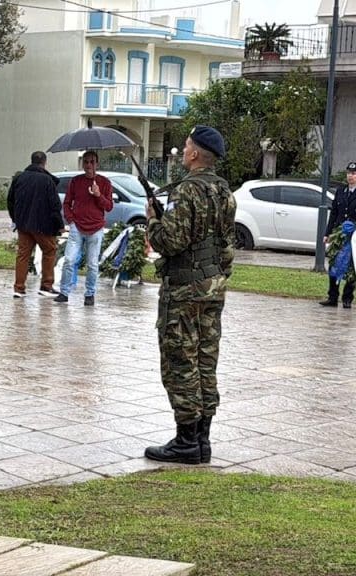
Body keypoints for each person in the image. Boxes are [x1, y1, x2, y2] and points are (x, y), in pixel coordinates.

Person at [143, 125, 236, 466]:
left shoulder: (187, 191)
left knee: (181, 362)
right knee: (205, 361)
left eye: (185, 147)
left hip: (184, 291)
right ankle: (202, 440)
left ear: (196, 154)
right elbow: (227, 247)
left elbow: (171, 241)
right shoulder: (224, 191)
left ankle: (185, 441)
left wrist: (153, 220)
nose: (182, 151)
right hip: (213, 289)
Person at [54, 150, 112, 306]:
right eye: (86, 162)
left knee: (92, 264)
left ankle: (90, 294)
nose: (89, 165)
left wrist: (98, 194)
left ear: (97, 164)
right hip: (77, 228)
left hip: (96, 228)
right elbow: (67, 203)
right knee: (69, 260)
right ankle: (64, 292)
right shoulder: (75, 181)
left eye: (92, 162)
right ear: (82, 164)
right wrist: (71, 220)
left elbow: (109, 207)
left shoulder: (105, 183)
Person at [319, 161, 356, 309]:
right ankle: (332, 297)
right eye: (349, 173)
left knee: (351, 267)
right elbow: (334, 213)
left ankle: (347, 298)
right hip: (339, 234)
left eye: (354, 174)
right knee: (334, 265)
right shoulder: (341, 191)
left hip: (354, 236)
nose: (350, 176)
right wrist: (328, 233)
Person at [7, 150, 62, 299]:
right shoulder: (47, 181)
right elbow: (55, 206)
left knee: (23, 255)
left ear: (31, 161)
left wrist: (16, 219)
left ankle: (19, 288)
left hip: (23, 224)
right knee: (50, 250)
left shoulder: (19, 178)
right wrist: (59, 225)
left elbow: (10, 201)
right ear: (44, 163)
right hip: (43, 225)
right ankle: (46, 285)